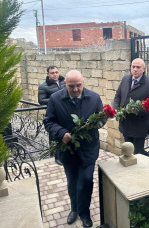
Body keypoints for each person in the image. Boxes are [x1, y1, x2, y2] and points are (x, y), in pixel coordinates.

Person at [43, 70, 103, 227]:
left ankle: (84, 213)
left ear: (83, 83)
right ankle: (74, 209)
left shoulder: (94, 98)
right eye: (71, 86)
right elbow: (48, 121)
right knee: (72, 182)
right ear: (65, 85)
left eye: (79, 86)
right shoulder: (55, 99)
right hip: (68, 150)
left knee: (86, 180)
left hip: (88, 149)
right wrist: (61, 132)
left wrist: (94, 124)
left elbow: (102, 119)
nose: (76, 89)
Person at [113, 58, 149, 157]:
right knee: (128, 151)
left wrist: (137, 111)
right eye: (133, 66)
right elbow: (118, 96)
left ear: (144, 69)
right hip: (125, 123)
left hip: (139, 126)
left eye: (138, 67)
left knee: (137, 154)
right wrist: (115, 108)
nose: (135, 69)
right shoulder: (125, 79)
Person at [38, 66, 66, 165]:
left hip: (65, 111)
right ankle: (55, 156)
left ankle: (66, 154)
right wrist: (56, 99)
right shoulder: (43, 86)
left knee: (65, 132)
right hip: (54, 113)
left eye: (56, 72)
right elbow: (41, 100)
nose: (55, 74)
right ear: (48, 74)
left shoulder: (64, 81)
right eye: (52, 73)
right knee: (54, 134)